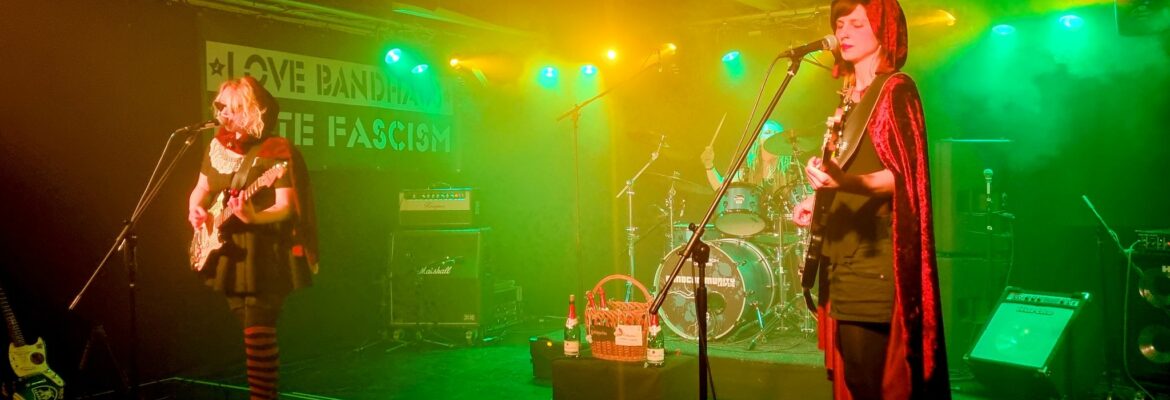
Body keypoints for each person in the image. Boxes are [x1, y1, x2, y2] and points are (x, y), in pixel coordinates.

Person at [790, 0, 949, 398]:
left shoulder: (896, 89)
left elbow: (903, 178)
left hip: (875, 255)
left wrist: (845, 182)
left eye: (857, 23)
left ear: (884, 32)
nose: (843, 31)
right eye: (840, 23)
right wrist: (816, 199)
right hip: (841, 251)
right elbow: (845, 174)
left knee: (870, 378)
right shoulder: (848, 98)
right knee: (855, 374)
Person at [187, 76, 319, 400]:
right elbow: (201, 188)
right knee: (249, 328)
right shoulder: (216, 147)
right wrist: (195, 211)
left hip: (264, 249)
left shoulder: (275, 150)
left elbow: (287, 206)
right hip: (229, 250)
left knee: (258, 330)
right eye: (221, 106)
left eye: (232, 108)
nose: (223, 113)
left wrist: (255, 216)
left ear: (252, 110)